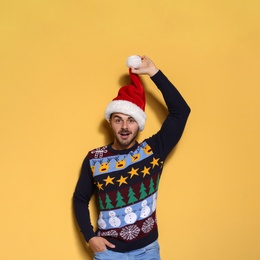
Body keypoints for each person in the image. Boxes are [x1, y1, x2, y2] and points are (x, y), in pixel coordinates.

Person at [73, 55, 191, 260]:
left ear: (138, 124)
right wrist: (90, 237)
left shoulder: (153, 150)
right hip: (108, 253)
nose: (125, 127)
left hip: (147, 251)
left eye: (131, 120)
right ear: (110, 122)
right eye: (118, 120)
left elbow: (181, 111)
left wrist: (154, 72)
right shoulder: (95, 158)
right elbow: (80, 199)